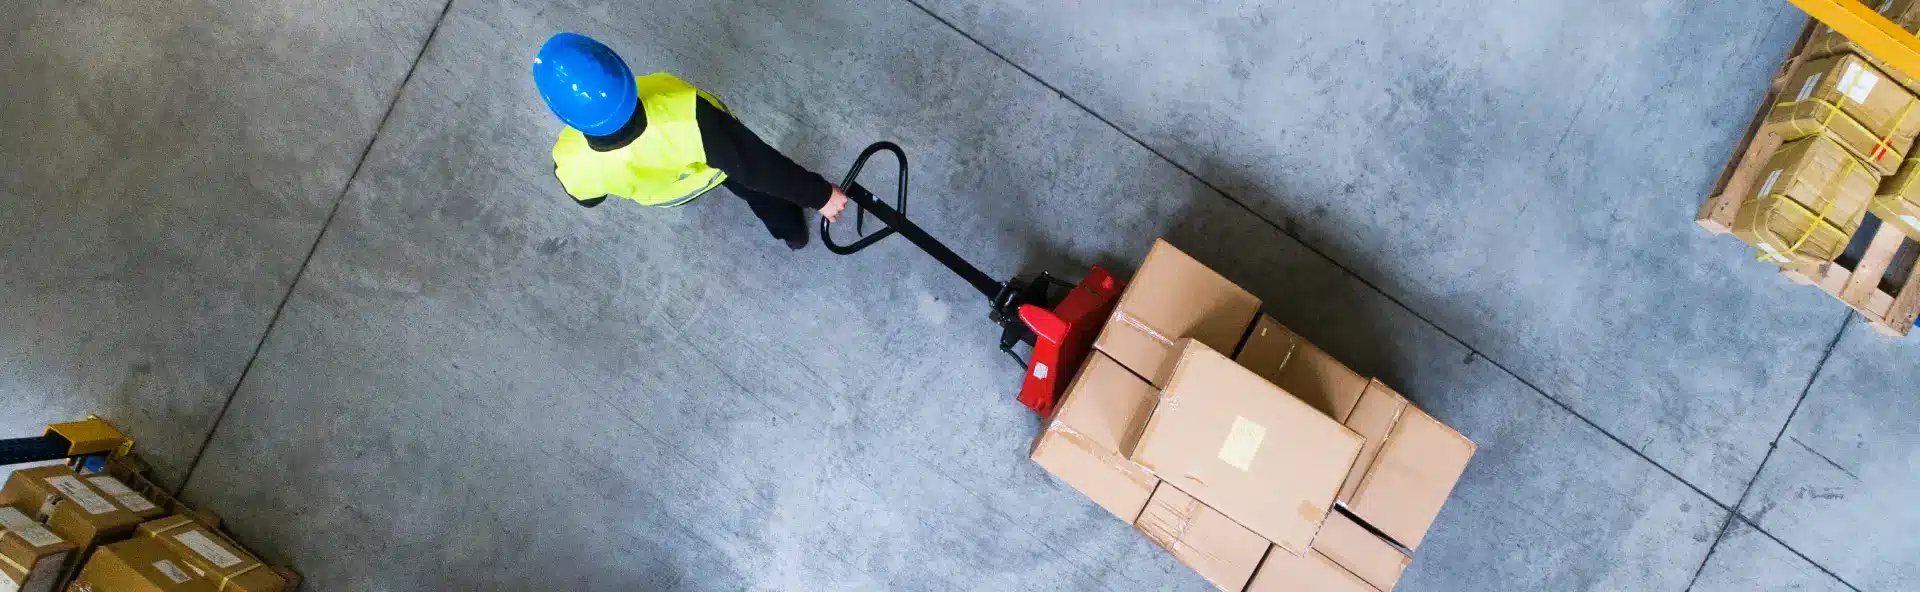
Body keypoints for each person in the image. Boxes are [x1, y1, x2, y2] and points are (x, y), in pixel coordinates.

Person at [533, 32, 850, 250]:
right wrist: (820, 195)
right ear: (621, 74)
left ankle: (791, 236)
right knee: (761, 192)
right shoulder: (688, 117)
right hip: (717, 168)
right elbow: (759, 166)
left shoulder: (570, 160)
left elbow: (589, 199)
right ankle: (792, 232)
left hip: (672, 193)